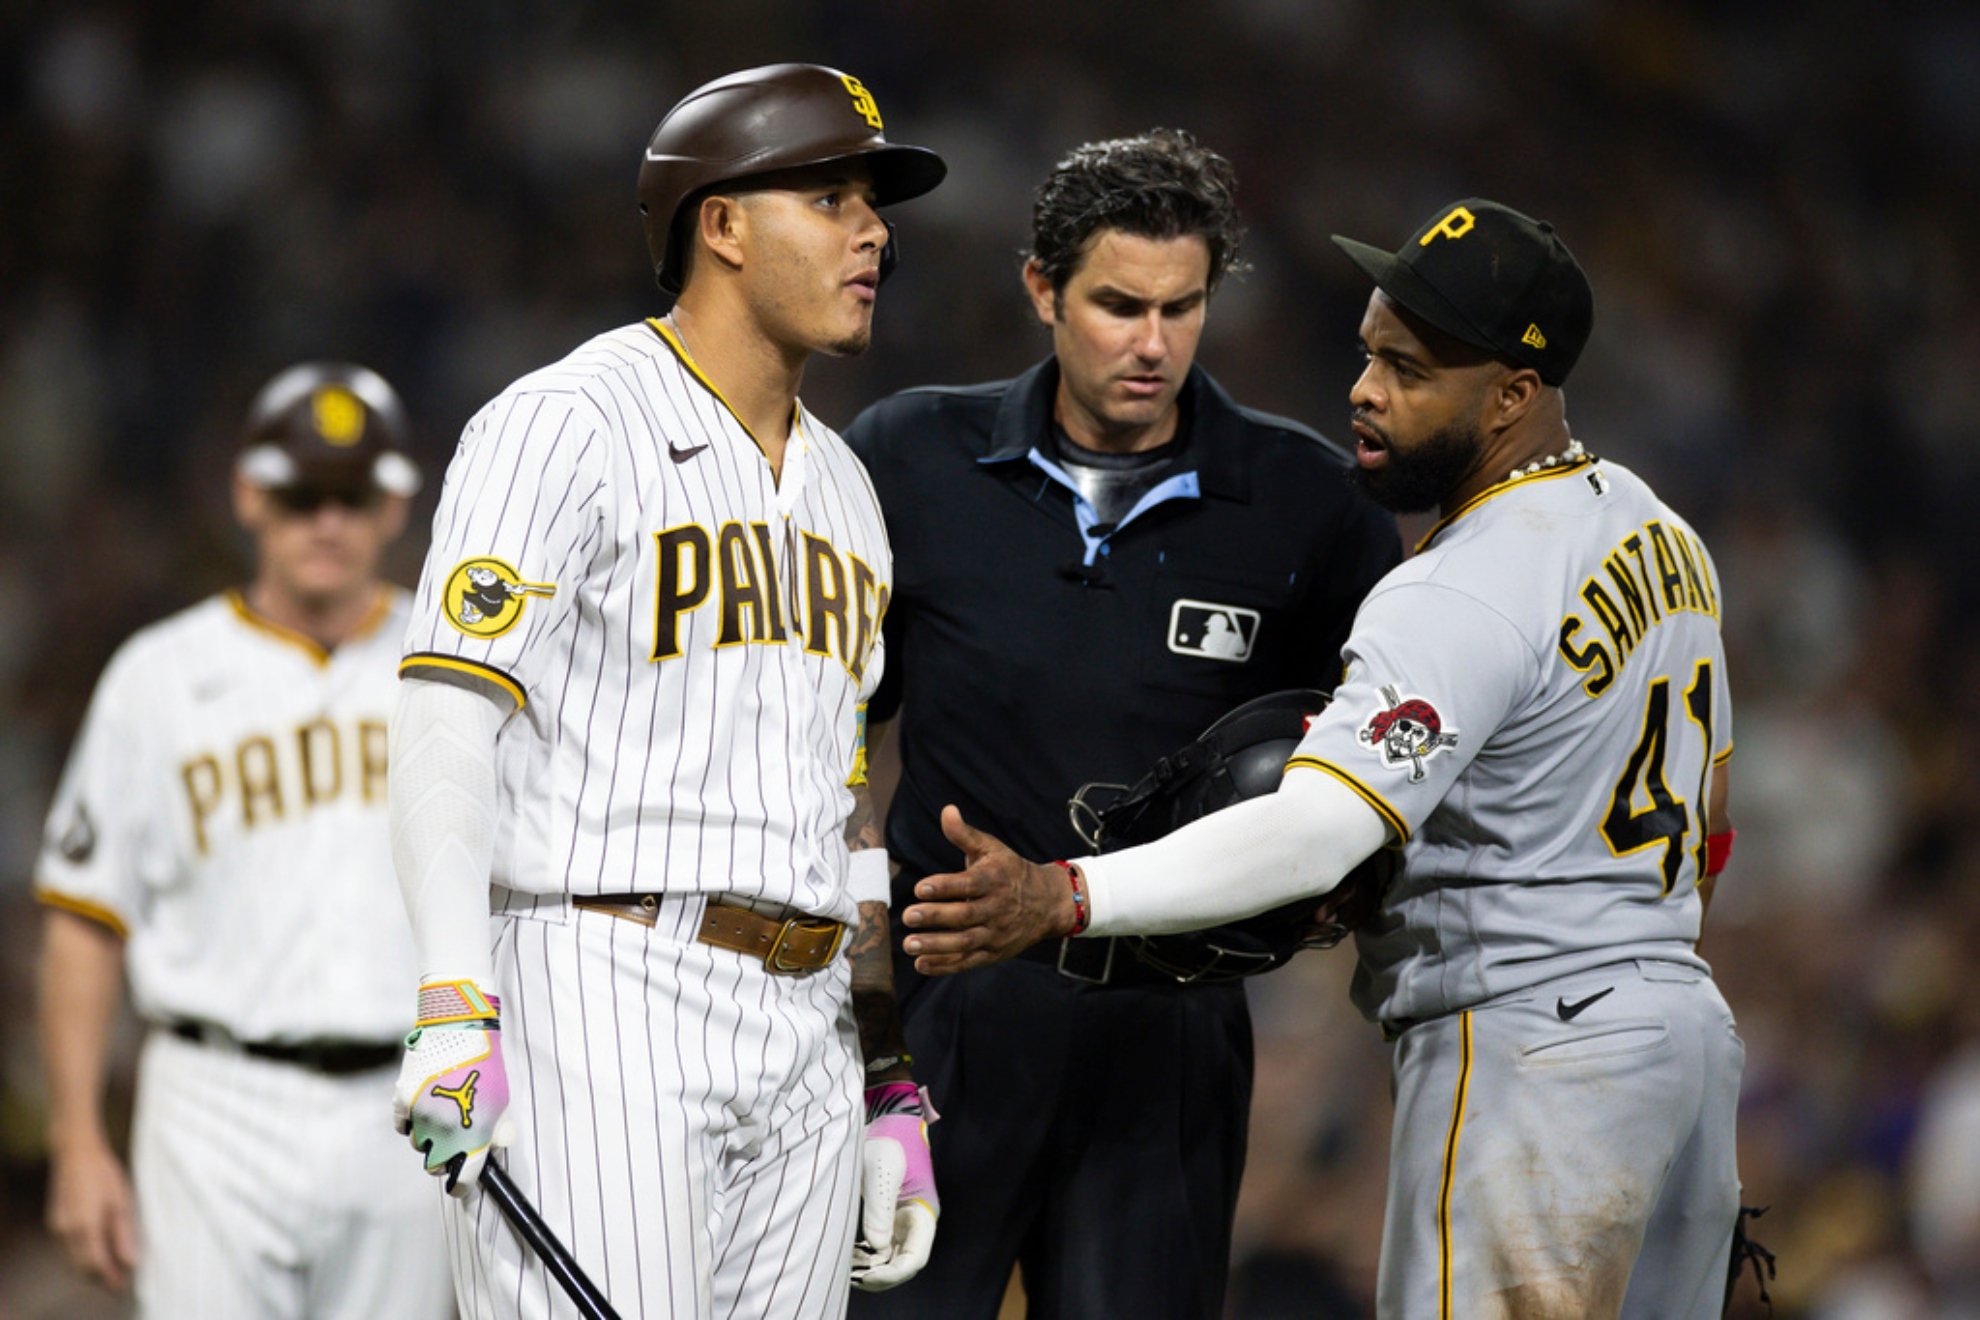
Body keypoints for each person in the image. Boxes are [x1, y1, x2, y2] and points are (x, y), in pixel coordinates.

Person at [899, 199, 1745, 1319]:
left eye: (1408, 367)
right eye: (1368, 351)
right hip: (1684, 1046)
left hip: (1539, 1058)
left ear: (1510, 396)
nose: (1364, 388)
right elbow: (1715, 814)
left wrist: (1063, 894)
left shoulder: (1462, 584)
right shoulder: (1658, 532)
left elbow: (1312, 835)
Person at [385, 64, 947, 1320]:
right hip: (603, 986)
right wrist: (448, 1000)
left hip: (805, 1027)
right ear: (723, 223)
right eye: (832, 194)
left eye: (876, 201)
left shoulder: (851, 490)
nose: (875, 231)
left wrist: (886, 1075)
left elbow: (840, 806)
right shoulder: (566, 422)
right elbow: (444, 712)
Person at [842, 128, 1400, 1320]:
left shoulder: (1307, 504)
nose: (1152, 343)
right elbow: (820, 743)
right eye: (1117, 304)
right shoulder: (906, 457)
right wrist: (868, 1019)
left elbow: (1369, 779)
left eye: (1181, 308)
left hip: (1172, 1028)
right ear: (1041, 287)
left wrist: (1323, 896)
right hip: (948, 1018)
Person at [35, 362, 452, 1319]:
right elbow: (85, 920)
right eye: (302, 495)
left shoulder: (448, 675)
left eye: (351, 497)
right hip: (211, 1106)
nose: (327, 523)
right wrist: (76, 1140)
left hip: (407, 1101)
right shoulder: (159, 676)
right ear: (249, 494)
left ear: (393, 505)